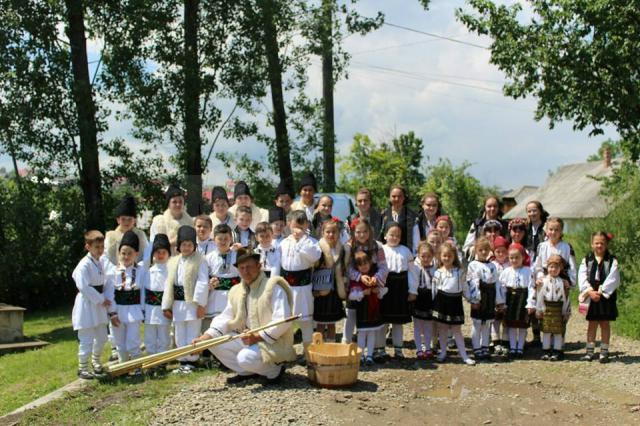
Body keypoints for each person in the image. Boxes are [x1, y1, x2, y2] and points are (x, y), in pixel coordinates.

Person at [192, 248, 296, 385]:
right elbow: (225, 317)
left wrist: (258, 336)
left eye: (249, 267)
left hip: (271, 341)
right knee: (212, 343)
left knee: (245, 358)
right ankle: (248, 372)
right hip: (247, 339)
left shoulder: (273, 287)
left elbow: (283, 320)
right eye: (242, 268)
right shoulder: (236, 291)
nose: (245, 271)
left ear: (259, 266)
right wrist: (205, 338)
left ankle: (274, 371)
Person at [161, 226, 209, 374]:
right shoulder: (173, 261)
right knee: (179, 332)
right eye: (184, 244)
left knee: (192, 332)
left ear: (194, 246)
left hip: (192, 304)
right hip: (177, 303)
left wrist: (201, 305)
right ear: (178, 246)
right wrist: (166, 306)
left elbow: (202, 282)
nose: (187, 247)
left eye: (190, 244)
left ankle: (192, 361)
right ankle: (182, 360)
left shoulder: (200, 260)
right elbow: (168, 283)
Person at [279, 210, 322, 358]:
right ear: (289, 224)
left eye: (301, 226)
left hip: (303, 287)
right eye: (295, 225)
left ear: (306, 226)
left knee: (305, 321)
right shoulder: (283, 242)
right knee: (286, 322)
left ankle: (308, 352)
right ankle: (287, 352)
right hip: (286, 287)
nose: (297, 229)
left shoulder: (311, 242)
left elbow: (314, 257)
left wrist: (302, 241)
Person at [72, 230, 113, 379]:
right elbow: (83, 286)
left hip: (98, 304)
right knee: (86, 337)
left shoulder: (100, 262)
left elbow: (107, 279)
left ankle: (96, 361)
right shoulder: (84, 265)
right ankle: (82, 367)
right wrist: (101, 299)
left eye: (102, 246)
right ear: (88, 247)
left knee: (102, 337)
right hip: (87, 303)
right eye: (97, 247)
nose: (100, 250)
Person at [346, 218, 389, 361]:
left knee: (372, 316)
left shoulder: (378, 246)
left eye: (365, 231)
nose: (362, 234)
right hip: (356, 285)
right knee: (352, 314)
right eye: (358, 232)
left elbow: (383, 266)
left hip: (372, 284)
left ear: (370, 232)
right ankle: (347, 346)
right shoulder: (349, 247)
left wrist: (376, 278)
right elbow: (347, 268)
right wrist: (359, 277)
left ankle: (373, 350)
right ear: (353, 232)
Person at [578, 231, 620, 363]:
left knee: (604, 323)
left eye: (602, 243)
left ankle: (604, 351)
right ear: (592, 244)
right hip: (591, 295)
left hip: (605, 296)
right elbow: (582, 276)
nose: (599, 245)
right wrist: (589, 291)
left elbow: (614, 277)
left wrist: (601, 291)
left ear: (606, 244)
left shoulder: (612, 260)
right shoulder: (587, 259)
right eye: (596, 243)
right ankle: (590, 351)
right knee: (592, 323)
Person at [431, 241, 475, 365]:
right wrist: (433, 304)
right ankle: (443, 352)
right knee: (443, 329)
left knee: (457, 330)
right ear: (440, 256)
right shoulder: (438, 272)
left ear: (454, 257)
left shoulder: (459, 272)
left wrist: (470, 298)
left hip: (455, 302)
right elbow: (434, 290)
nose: (447, 258)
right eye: (444, 255)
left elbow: (464, 286)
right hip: (442, 301)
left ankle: (464, 355)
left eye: (450, 256)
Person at [107, 231, 146, 368]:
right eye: (123, 253)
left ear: (136, 254)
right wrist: (112, 313)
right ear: (118, 254)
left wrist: (143, 310)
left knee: (133, 341)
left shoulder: (141, 271)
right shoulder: (112, 272)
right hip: (117, 311)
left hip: (134, 311)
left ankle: (137, 367)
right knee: (119, 342)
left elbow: (142, 293)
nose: (126, 256)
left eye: (130, 253)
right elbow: (109, 294)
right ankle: (123, 367)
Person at [380, 222, 416, 359]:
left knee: (398, 322)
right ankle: (381, 349)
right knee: (383, 321)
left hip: (401, 287)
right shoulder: (380, 250)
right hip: (385, 286)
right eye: (391, 235)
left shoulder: (406, 251)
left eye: (398, 235)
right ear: (385, 236)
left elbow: (412, 273)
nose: (394, 238)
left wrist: (413, 291)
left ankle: (398, 349)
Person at [199, 224, 240, 335]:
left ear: (231, 239)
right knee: (213, 328)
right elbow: (202, 279)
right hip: (214, 299)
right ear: (214, 239)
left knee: (230, 327)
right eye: (220, 239)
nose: (223, 242)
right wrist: (209, 284)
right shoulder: (208, 258)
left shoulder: (238, 256)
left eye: (226, 239)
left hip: (232, 297)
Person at [312, 220, 350, 341]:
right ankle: (319, 347)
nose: (331, 234)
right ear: (322, 233)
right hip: (322, 289)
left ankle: (331, 345)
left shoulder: (343, 249)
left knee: (332, 323)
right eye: (327, 232)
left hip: (336, 289)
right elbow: (313, 267)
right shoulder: (318, 249)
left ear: (339, 233)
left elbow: (345, 267)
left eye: (334, 232)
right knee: (321, 323)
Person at [467, 237, 502, 360]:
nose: (483, 252)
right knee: (477, 324)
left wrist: (499, 301)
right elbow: (472, 283)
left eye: (486, 249)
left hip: (490, 296)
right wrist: (475, 299)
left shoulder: (493, 266)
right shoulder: (473, 265)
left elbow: (497, 283)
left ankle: (485, 347)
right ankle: (476, 348)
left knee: (487, 324)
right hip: (480, 295)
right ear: (476, 250)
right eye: (480, 249)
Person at [349, 251, 386, 366]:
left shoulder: (374, 277)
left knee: (372, 333)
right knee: (361, 333)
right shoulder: (356, 281)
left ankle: (369, 355)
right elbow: (351, 296)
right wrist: (363, 293)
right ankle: (360, 355)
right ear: (357, 267)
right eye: (360, 264)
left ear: (370, 263)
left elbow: (384, 291)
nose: (364, 266)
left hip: (374, 310)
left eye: (366, 263)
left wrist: (378, 291)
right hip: (363, 310)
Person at [499, 243, 535, 358]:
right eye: (511, 258)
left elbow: (531, 288)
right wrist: (502, 302)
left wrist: (530, 303)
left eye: (517, 257)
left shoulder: (528, 271)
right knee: (512, 325)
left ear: (523, 257)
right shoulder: (506, 272)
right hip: (510, 300)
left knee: (523, 325)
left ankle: (520, 348)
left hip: (523, 299)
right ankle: (513, 347)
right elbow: (502, 288)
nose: (514, 260)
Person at [142, 234, 172, 362]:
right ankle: (151, 360)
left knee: (164, 337)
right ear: (153, 253)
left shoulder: (171, 271)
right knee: (150, 337)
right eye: (158, 252)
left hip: (164, 309)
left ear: (168, 254)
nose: (160, 255)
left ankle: (162, 361)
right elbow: (143, 292)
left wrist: (169, 308)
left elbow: (171, 292)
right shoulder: (147, 271)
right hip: (149, 310)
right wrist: (142, 310)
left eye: (163, 252)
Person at [536, 254, 571, 361]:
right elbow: (539, 296)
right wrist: (539, 309)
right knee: (546, 331)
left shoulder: (563, 282)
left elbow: (566, 298)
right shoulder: (543, 281)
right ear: (547, 268)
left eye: (556, 267)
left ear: (560, 268)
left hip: (558, 310)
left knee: (558, 332)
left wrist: (566, 312)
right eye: (551, 267)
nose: (553, 269)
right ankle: (546, 350)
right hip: (547, 309)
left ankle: (557, 351)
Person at [105, 195, 148, 266]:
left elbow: (147, 256)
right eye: (123, 219)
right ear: (118, 220)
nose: (126, 222)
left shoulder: (140, 235)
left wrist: (139, 269)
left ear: (134, 220)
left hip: (137, 272)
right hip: (115, 273)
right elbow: (106, 257)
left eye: (129, 219)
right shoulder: (111, 236)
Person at [150, 184, 194, 254]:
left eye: (180, 202)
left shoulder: (191, 223)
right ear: (168, 204)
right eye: (174, 202)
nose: (178, 204)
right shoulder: (159, 222)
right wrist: (172, 243)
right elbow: (153, 245)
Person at [463, 196, 507, 262]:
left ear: (498, 208)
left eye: (495, 206)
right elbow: (466, 248)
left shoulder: (504, 225)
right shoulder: (477, 225)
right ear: (485, 207)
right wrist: (478, 251)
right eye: (489, 206)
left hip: (500, 261)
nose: (492, 209)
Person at [413, 241, 436, 360]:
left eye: (428, 256)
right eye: (423, 256)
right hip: (419, 297)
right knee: (417, 325)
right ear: (418, 255)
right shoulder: (415, 268)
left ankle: (428, 348)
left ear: (432, 256)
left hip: (430, 298)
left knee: (428, 325)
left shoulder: (435, 269)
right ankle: (418, 349)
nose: (426, 259)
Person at [379, 185, 418, 250]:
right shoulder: (383, 215)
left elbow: (416, 238)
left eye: (399, 196)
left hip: (406, 253)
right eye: (394, 196)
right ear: (389, 198)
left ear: (404, 198)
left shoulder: (412, 215)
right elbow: (380, 237)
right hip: (387, 253)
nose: (397, 199)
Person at [491, 236, 510, 355]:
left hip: (507, 296)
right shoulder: (492, 264)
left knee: (506, 320)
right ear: (494, 252)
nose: (501, 254)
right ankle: (495, 341)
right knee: (495, 320)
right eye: (498, 251)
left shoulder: (510, 264)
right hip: (495, 297)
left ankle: (506, 341)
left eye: (503, 251)